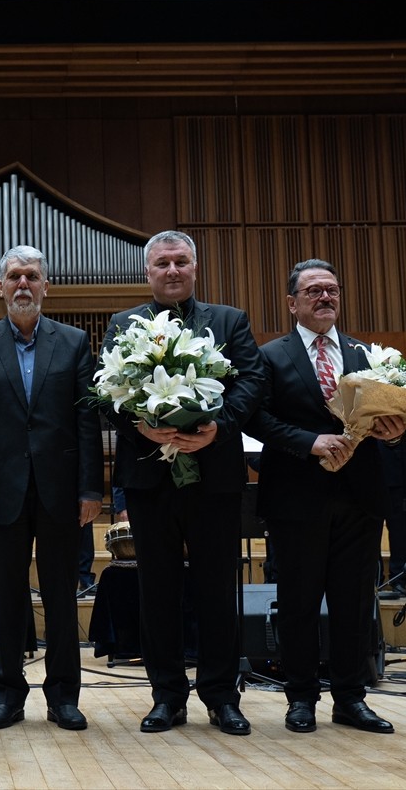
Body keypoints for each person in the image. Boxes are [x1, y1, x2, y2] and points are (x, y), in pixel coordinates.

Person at [100, 230, 266, 737]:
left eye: (180, 261)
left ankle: (221, 695)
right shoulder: (123, 324)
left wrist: (219, 426)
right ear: (147, 272)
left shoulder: (228, 320)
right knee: (158, 592)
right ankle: (167, 696)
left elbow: (253, 380)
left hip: (213, 478)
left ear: (194, 267)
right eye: (162, 263)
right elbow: (106, 391)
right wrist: (138, 423)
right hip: (151, 480)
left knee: (218, 590)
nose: (172, 270)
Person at [247, 258, 406, 735]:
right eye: (314, 291)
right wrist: (308, 442)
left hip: (359, 497)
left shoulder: (367, 355)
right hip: (296, 498)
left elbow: (389, 417)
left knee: (354, 602)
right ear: (292, 302)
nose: (325, 298)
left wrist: (395, 434)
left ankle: (351, 698)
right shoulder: (269, 356)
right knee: (297, 602)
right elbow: (254, 418)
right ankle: (300, 699)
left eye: (332, 290)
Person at [0, 245, 103, 731]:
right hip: (1, 493)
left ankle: (64, 696)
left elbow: (87, 422)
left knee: (61, 594)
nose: (23, 284)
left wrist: (90, 490)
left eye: (32, 277)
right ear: (0, 287)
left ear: (46, 286)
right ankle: (8, 695)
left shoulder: (75, 342)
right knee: (6, 596)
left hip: (61, 491)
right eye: (14, 277)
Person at [376, 432, 406, 597]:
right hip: (366, 473)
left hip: (396, 470)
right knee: (369, 531)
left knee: (399, 531)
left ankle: (400, 579)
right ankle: (375, 579)